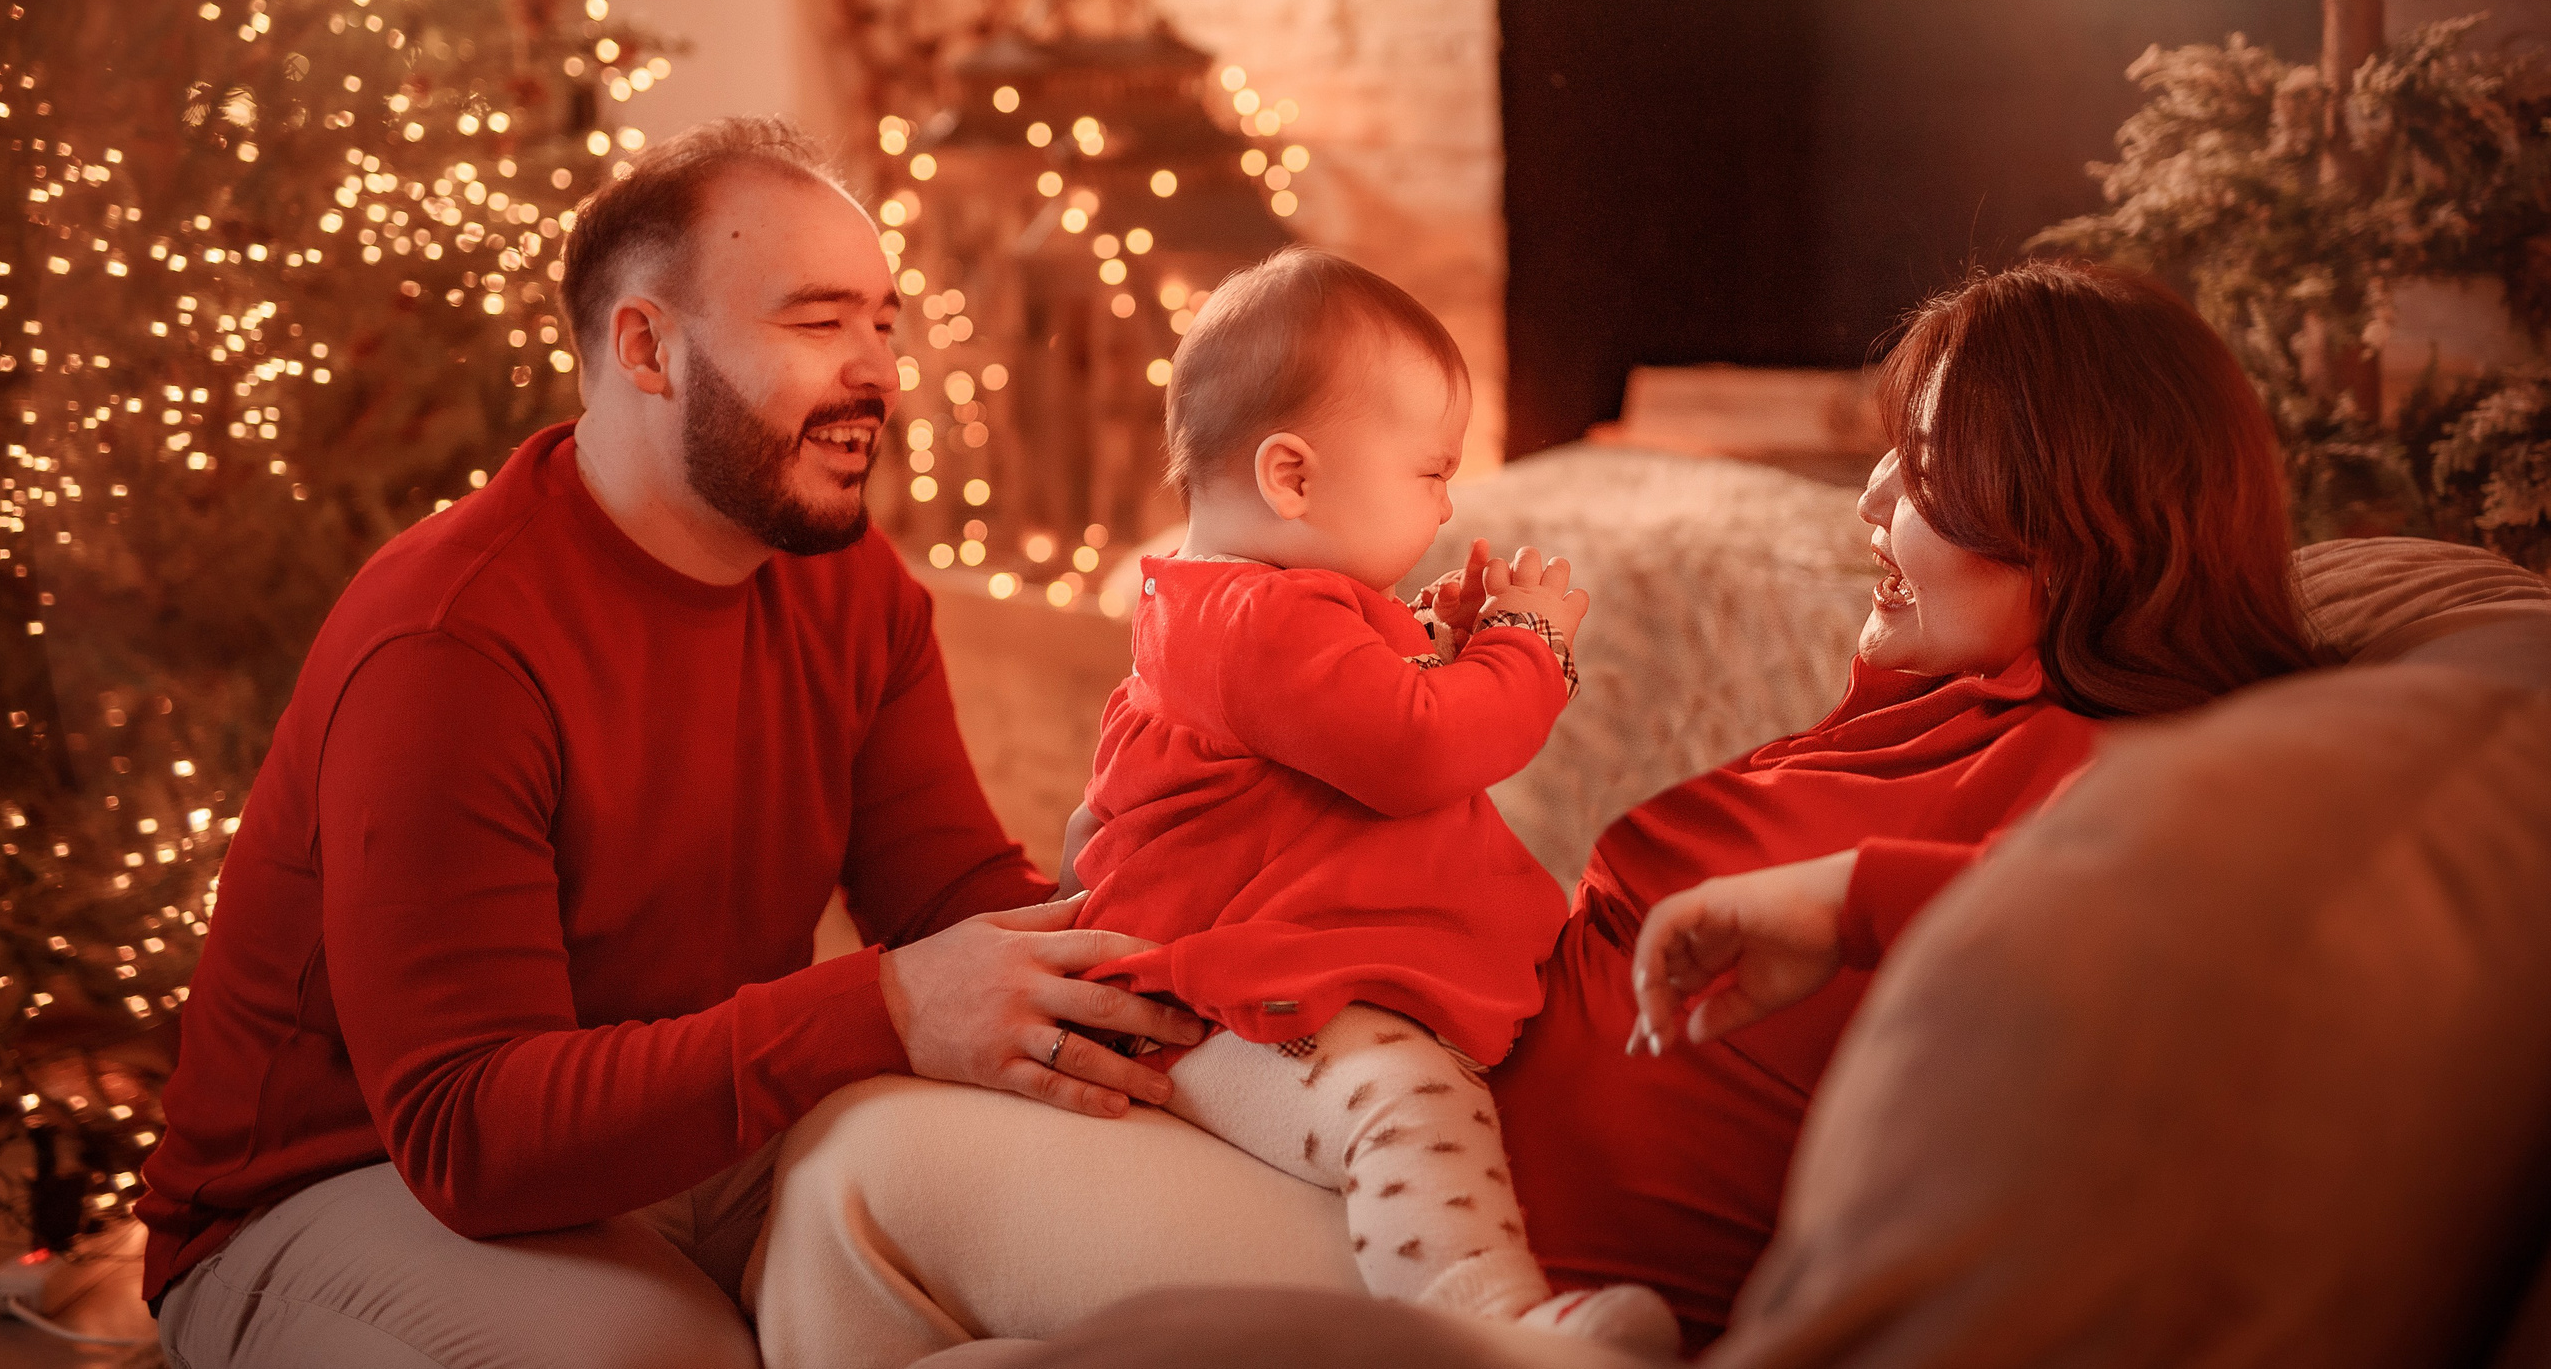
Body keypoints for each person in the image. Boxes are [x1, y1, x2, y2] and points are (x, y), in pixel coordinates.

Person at [746, 261, 2322, 1367]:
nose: (1866, 510)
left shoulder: (2120, 774)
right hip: (1422, 1101)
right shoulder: (1942, 702)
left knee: (857, 1177)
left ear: (2071, 521)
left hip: (1488, 1232)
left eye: (1921, 473)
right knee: (854, 1170)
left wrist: (1842, 900)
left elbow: (2164, 921)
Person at [136, 117, 1206, 1369]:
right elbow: (467, 1133)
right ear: (645, 346)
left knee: (1067, 1240)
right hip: (336, 1193)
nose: (877, 373)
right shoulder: (451, 640)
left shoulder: (853, 590)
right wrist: (886, 1004)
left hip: (677, 1138)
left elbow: (948, 905)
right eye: (818, 324)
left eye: (883, 322)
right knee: (656, 1356)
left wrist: (1130, 895)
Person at [1056, 249, 1677, 1354]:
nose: (1450, 503)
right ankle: (1493, 1326)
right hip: (1236, 1010)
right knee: (1407, 1102)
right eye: (1431, 472)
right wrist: (1524, 647)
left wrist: (1437, 641)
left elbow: (1353, 721)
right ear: (1290, 478)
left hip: (1267, 982)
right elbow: (1416, 746)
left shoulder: (1249, 615)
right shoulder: (1257, 624)